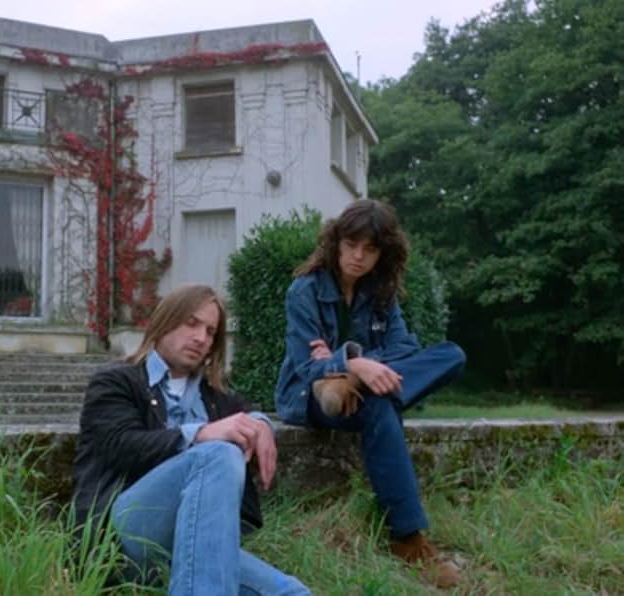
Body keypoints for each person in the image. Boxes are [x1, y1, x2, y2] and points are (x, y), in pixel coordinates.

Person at [72, 283, 311, 596]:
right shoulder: (117, 381)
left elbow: (248, 413)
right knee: (219, 454)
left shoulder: (215, 398)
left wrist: (261, 424)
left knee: (293, 593)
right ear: (164, 322)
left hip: (197, 542)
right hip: (124, 536)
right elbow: (120, 445)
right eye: (192, 323)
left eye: (211, 332)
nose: (201, 338)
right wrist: (200, 434)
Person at [275, 199, 466, 589]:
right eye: (351, 245)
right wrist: (353, 362)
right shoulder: (304, 291)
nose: (358, 256)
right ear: (336, 242)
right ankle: (409, 539)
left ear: (383, 253)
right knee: (377, 401)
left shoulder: (381, 294)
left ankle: (352, 387)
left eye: (370, 248)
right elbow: (304, 366)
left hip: (354, 389)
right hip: (308, 396)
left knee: (451, 355)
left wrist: (354, 367)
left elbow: (406, 351)